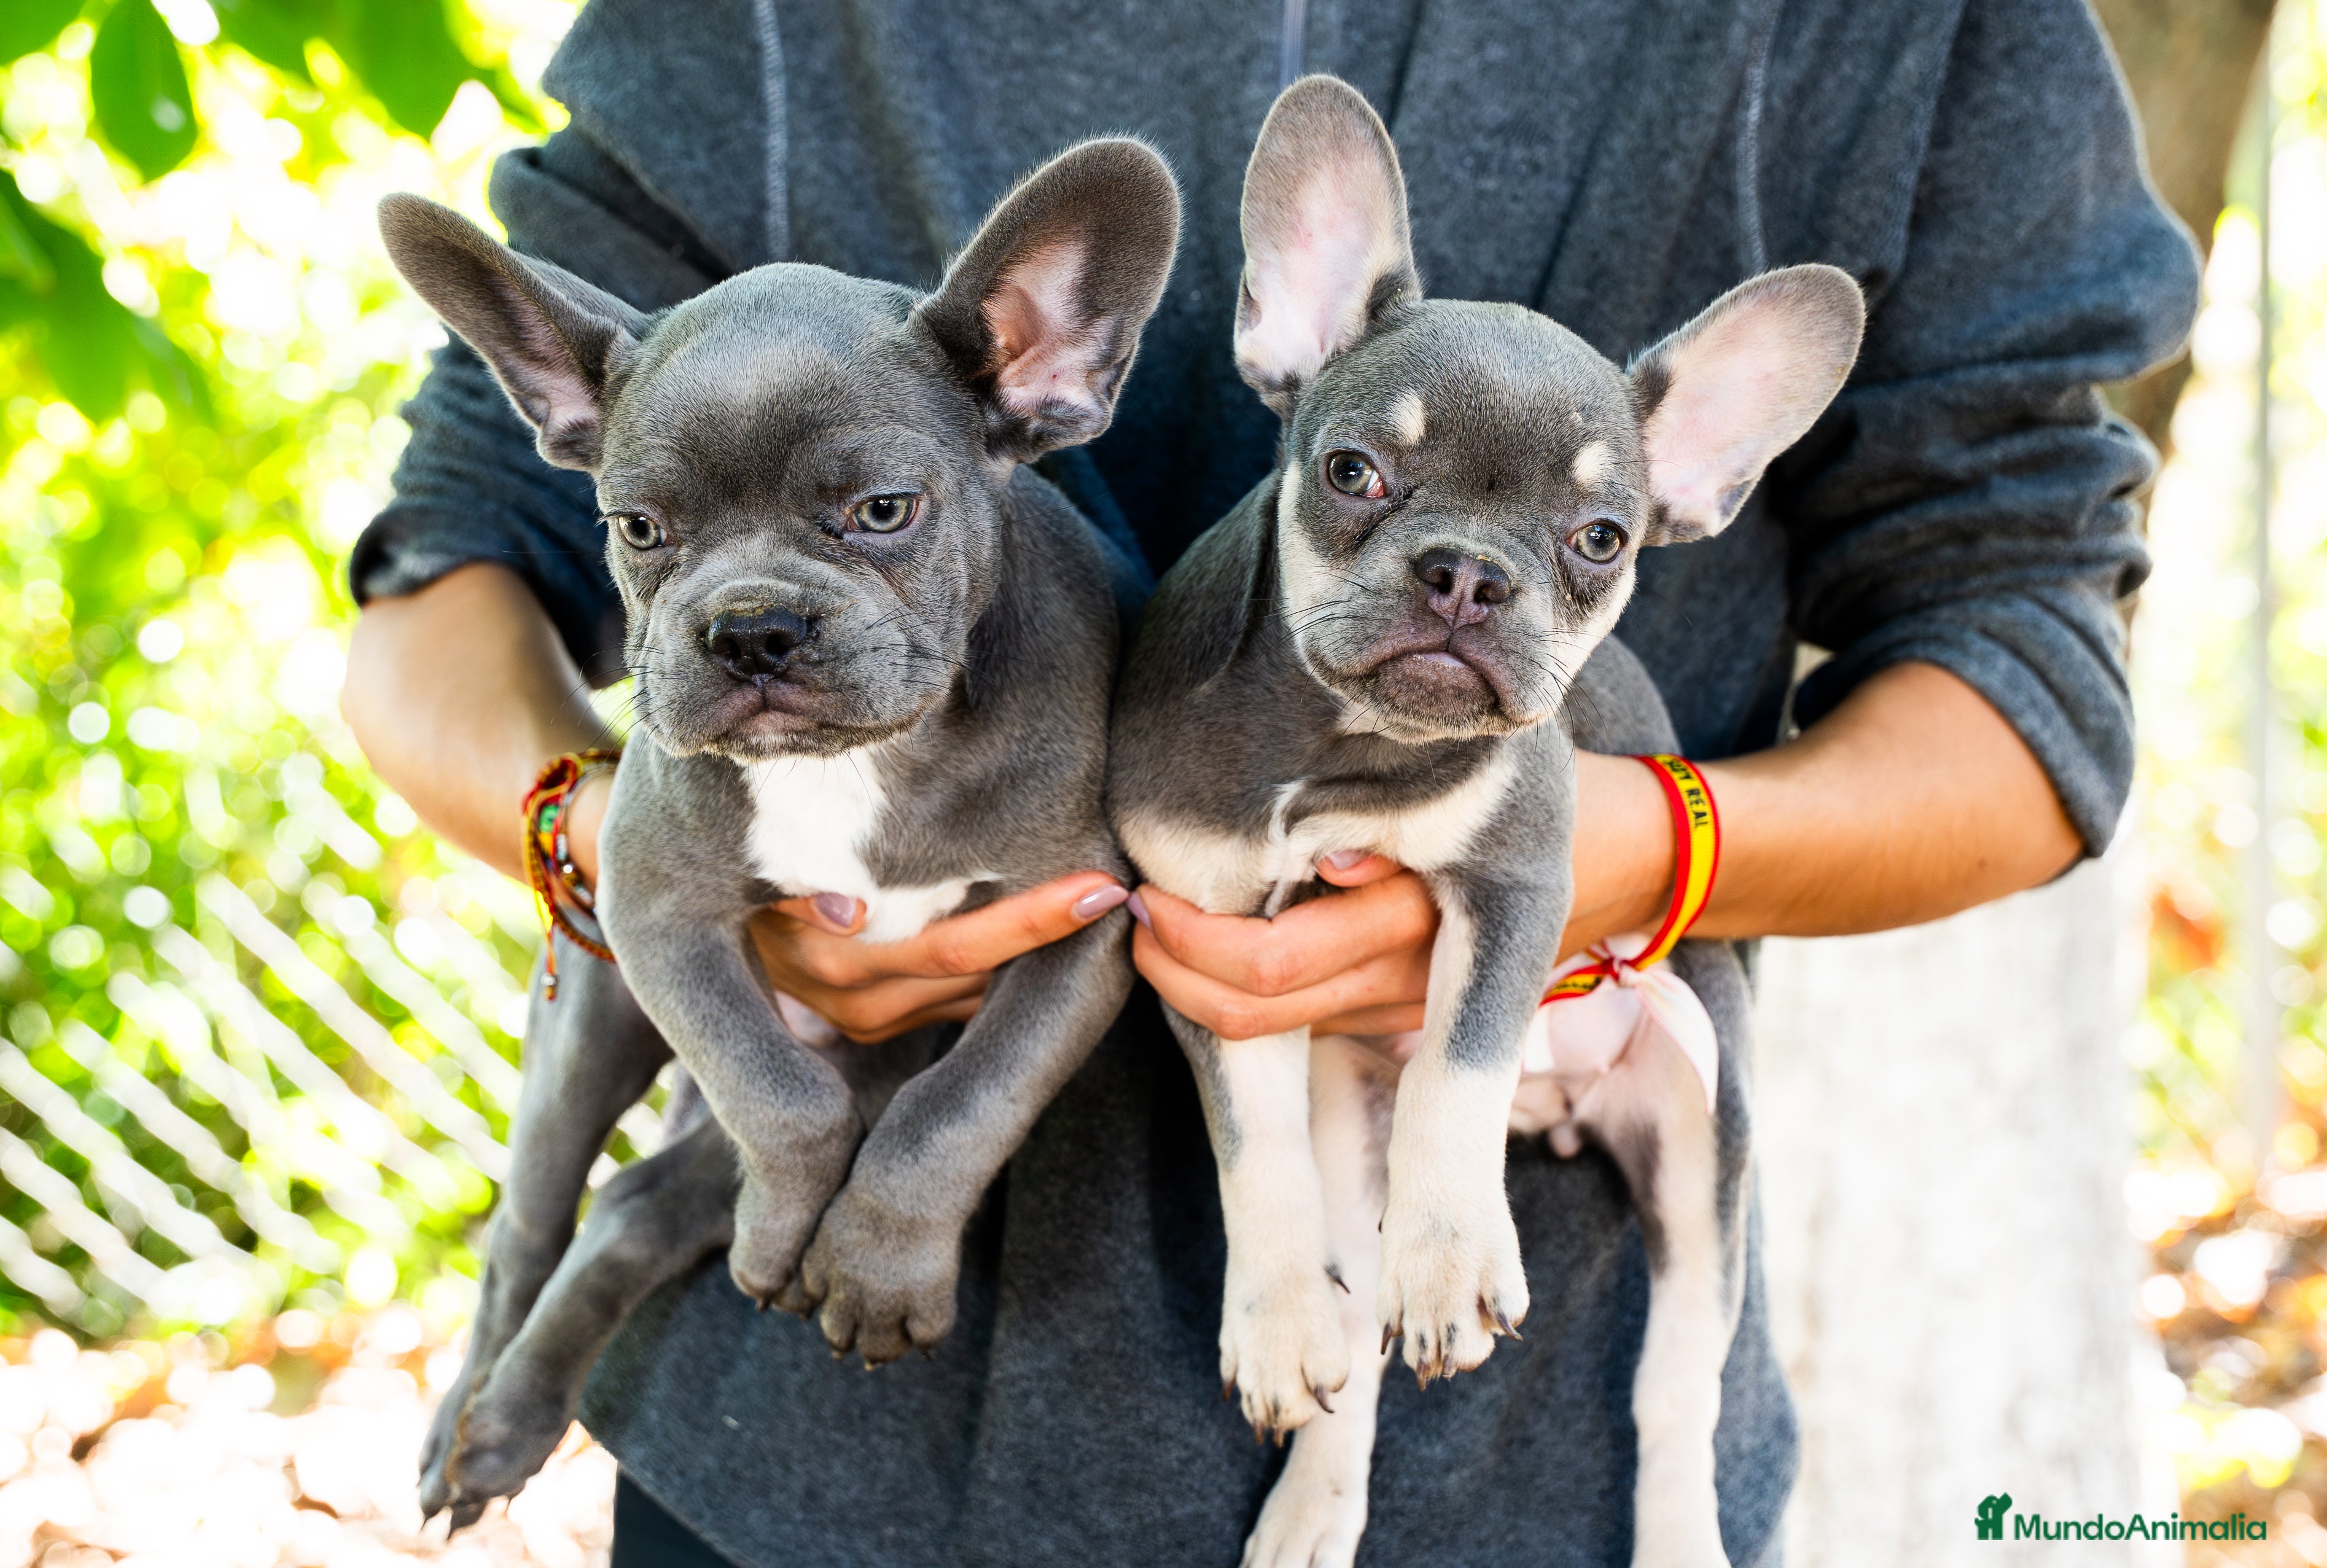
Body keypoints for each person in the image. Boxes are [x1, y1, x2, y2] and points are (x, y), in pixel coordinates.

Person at [340, 1, 2199, 1562]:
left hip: (1518, 1445)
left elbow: (2031, 670)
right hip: (802, 1428)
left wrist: (1612, 849)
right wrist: (606, 844)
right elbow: (448, 581)